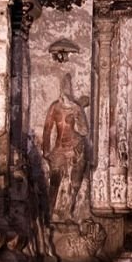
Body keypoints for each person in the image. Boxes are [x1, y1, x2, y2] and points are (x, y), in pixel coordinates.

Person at [42, 73, 90, 222]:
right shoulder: (55, 107)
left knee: (74, 183)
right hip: (58, 149)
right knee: (54, 181)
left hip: (75, 146)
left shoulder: (75, 108)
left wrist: (78, 113)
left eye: (67, 88)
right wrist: (46, 151)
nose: (65, 91)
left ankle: (68, 211)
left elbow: (84, 131)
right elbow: (47, 129)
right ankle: (48, 214)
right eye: (63, 88)